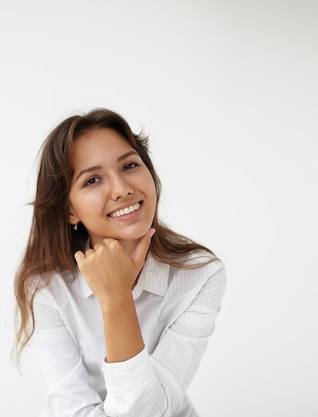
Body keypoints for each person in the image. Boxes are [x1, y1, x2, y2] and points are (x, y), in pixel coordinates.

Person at [13, 108, 226, 417]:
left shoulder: (200, 275)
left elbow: (150, 411)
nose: (122, 188)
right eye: (92, 180)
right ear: (69, 210)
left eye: (129, 165)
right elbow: (73, 409)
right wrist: (115, 293)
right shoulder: (48, 289)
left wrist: (116, 297)